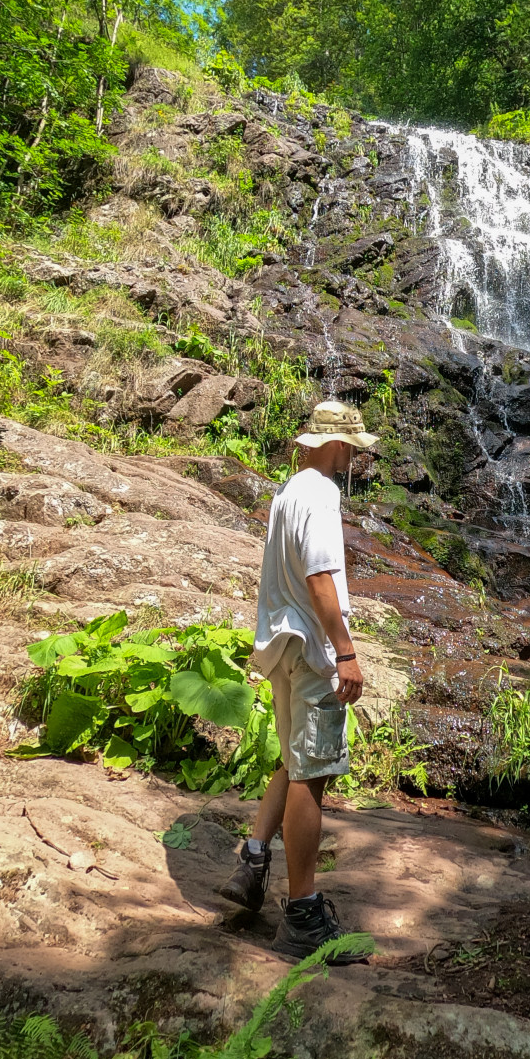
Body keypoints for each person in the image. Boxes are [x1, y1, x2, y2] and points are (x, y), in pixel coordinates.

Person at [216, 399, 377, 960]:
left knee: (292, 758)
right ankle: (303, 916)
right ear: (334, 444)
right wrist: (346, 653)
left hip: (282, 643)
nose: (353, 457)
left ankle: (254, 860)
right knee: (313, 775)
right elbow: (320, 577)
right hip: (313, 652)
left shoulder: (288, 491)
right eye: (351, 447)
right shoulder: (322, 494)